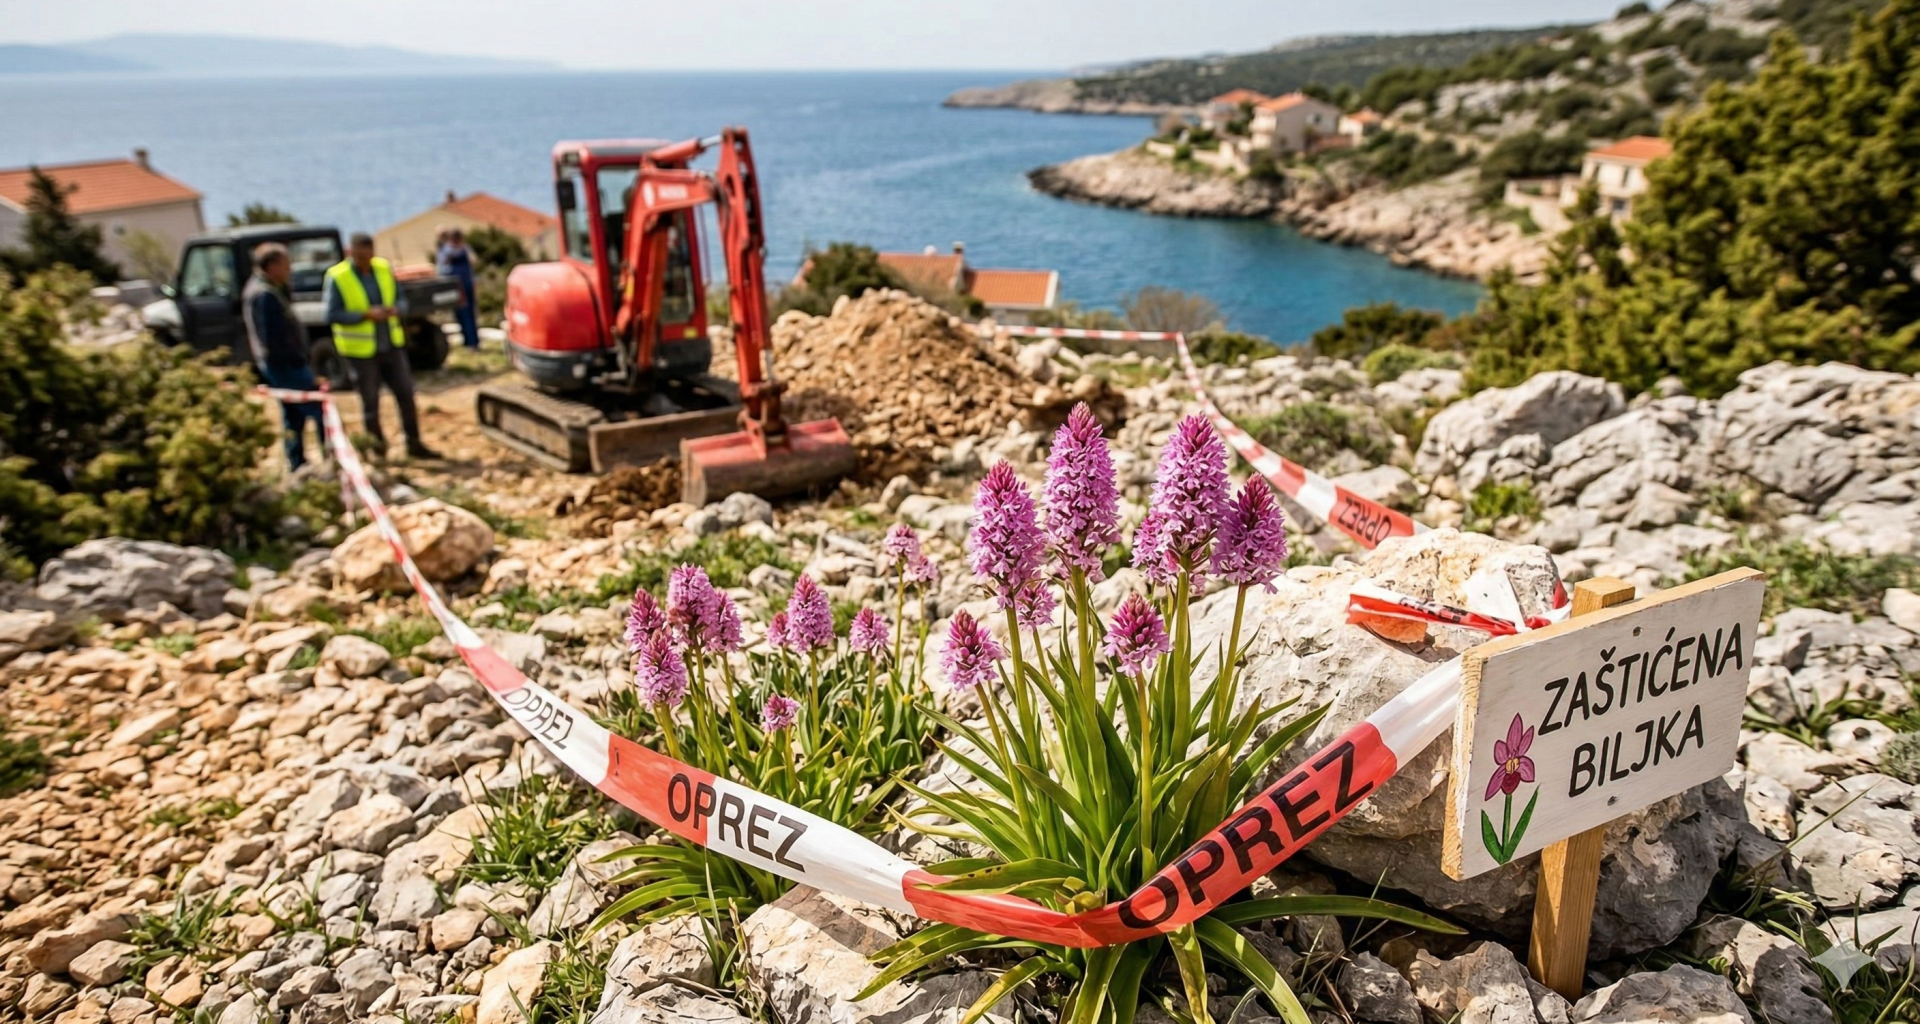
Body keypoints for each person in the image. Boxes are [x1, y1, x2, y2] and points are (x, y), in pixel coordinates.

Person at [323, 232, 441, 459]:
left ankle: (414, 444)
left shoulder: (383, 269)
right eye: (360, 255)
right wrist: (366, 315)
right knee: (370, 402)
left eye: (368, 254)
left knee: (406, 395)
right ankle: (378, 449)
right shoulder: (338, 276)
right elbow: (332, 314)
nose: (365, 259)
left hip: (391, 346)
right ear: (352, 252)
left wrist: (397, 309)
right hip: (361, 352)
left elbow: (400, 298)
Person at [243, 242, 324, 470]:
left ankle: (297, 463)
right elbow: (273, 338)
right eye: (285, 265)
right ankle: (328, 459)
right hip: (285, 365)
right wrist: (297, 359)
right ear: (272, 265)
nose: (290, 270)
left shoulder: (272, 288)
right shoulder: (264, 294)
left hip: (284, 364)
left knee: (293, 416)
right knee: (317, 410)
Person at [436, 225, 481, 350]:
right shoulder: (448, 250)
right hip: (457, 285)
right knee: (462, 315)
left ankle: (472, 342)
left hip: (464, 285)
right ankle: (469, 342)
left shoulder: (456, 249)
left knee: (468, 314)